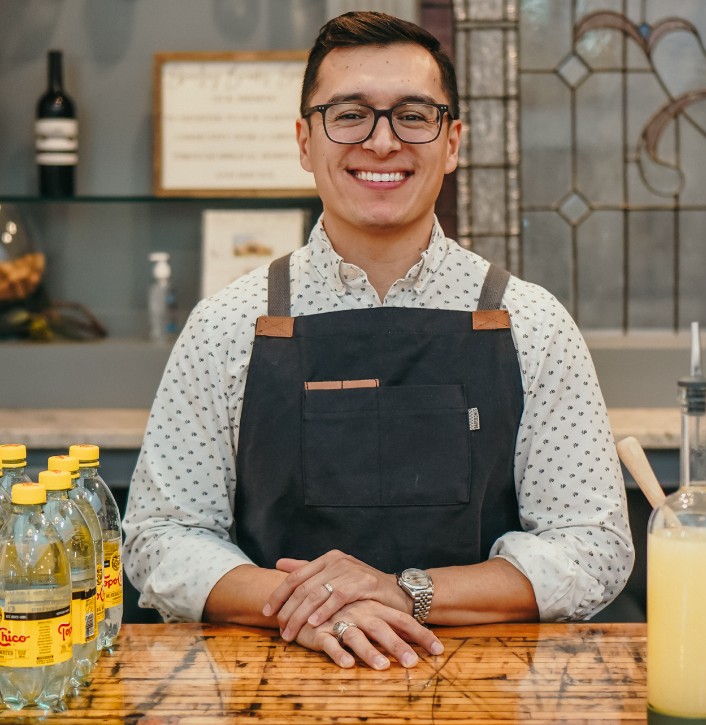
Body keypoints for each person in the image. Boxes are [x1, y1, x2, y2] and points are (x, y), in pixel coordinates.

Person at [123, 11, 633, 671]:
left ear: (452, 142)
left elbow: (593, 547)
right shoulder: (227, 325)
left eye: (413, 115)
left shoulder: (531, 323)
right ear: (305, 140)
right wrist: (314, 601)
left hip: (489, 688)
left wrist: (405, 591)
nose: (382, 142)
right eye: (349, 114)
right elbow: (161, 538)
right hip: (272, 681)